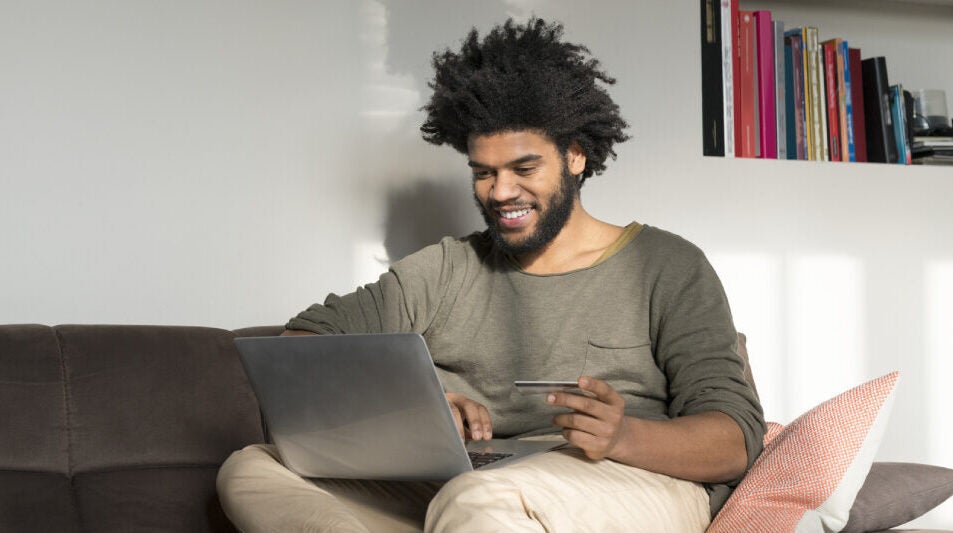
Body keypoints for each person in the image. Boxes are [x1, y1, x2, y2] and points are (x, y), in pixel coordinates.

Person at [217, 17, 765, 533]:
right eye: (484, 173)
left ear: (575, 156)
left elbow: (736, 440)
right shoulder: (447, 268)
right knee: (252, 468)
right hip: (471, 483)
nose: (501, 192)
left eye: (524, 169)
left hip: (629, 479)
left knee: (478, 500)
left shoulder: (666, 265)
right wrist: (421, 405)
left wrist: (622, 435)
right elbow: (303, 345)